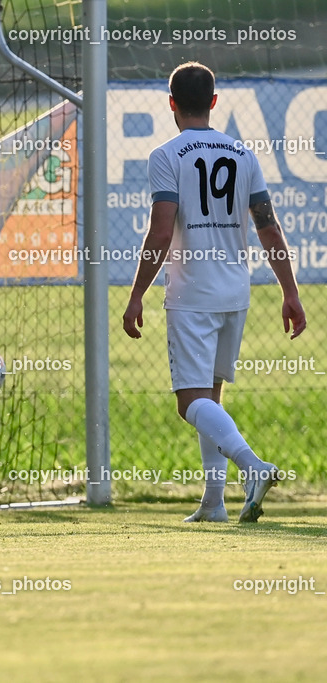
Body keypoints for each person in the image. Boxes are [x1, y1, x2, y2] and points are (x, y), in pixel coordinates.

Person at [121, 61, 305, 524]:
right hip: (234, 291)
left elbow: (161, 234)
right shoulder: (243, 154)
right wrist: (291, 292)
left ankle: (253, 467)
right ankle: (214, 501)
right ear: (215, 102)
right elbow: (269, 227)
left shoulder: (166, 154)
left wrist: (136, 293)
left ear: (171, 105)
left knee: (190, 403)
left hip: (192, 293)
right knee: (211, 400)